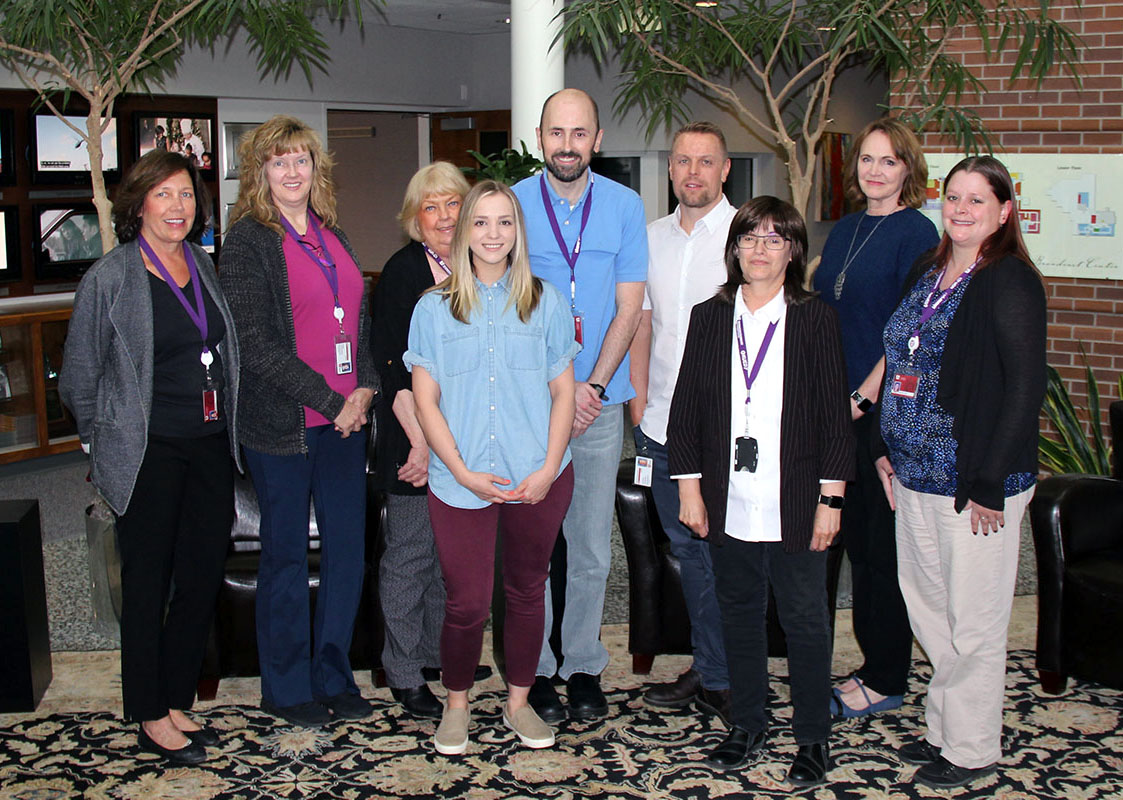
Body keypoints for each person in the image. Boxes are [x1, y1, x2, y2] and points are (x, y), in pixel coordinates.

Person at [60, 150, 239, 765]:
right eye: (163, 195)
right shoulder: (110, 277)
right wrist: (99, 439)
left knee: (198, 578)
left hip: (210, 446)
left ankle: (174, 695)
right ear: (138, 204)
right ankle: (147, 712)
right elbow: (79, 376)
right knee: (146, 582)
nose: (177, 207)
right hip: (146, 454)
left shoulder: (203, 265)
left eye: (186, 195)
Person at [668, 196, 853, 787]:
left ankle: (812, 737)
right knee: (739, 615)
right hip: (729, 499)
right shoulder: (710, 315)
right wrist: (690, 489)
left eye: (774, 239)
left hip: (796, 499)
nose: (759, 249)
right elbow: (687, 411)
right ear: (735, 247)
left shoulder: (814, 317)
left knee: (803, 620)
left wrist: (831, 499)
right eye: (749, 238)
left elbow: (833, 417)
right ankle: (746, 724)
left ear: (793, 250)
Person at [873, 156, 1045, 790]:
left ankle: (971, 749)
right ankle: (945, 727)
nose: (962, 209)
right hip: (913, 473)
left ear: (1004, 211)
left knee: (972, 621)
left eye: (978, 200)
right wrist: (884, 446)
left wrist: (989, 482)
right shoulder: (928, 269)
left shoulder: (1010, 282)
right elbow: (900, 360)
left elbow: (1024, 390)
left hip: (973, 483)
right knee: (929, 611)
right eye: (953, 197)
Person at [405, 180, 578, 755]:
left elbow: (563, 393)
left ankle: (519, 703)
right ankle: (456, 705)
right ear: (464, 231)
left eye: (505, 222)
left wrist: (550, 466)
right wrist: (460, 469)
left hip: (538, 474)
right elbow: (425, 400)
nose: (493, 234)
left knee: (528, 592)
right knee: (468, 601)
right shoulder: (433, 307)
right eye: (481, 222)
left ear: (518, 232)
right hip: (461, 480)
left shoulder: (546, 301)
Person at [218, 115, 378, 729]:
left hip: (345, 423)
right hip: (283, 427)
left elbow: (355, 319)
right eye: (279, 161)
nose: (292, 171)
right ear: (261, 171)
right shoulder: (248, 241)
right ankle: (284, 688)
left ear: (317, 169)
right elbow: (255, 346)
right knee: (285, 556)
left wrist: (363, 387)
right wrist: (333, 400)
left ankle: (333, 674)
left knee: (346, 553)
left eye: (302, 160)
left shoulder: (331, 233)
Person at [512, 88, 647, 723]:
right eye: (556, 133)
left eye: (580, 133)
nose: (567, 145)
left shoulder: (624, 207)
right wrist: (553, 389)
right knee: (533, 547)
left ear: (597, 138)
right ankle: (534, 670)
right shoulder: (510, 206)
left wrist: (591, 387)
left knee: (591, 547)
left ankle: (584, 665)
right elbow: (497, 305)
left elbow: (629, 308)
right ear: (541, 138)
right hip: (532, 406)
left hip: (599, 402)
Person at [811, 118, 939, 718]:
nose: (874, 171)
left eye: (888, 161)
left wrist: (862, 398)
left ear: (907, 170)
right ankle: (857, 659)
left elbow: (907, 330)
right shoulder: (846, 229)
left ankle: (885, 674)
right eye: (866, 159)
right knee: (841, 540)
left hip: (877, 415)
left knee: (877, 552)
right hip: (833, 411)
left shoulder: (917, 234)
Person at [628, 121, 734, 721]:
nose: (693, 172)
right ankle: (711, 669)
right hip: (663, 428)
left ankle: (728, 672)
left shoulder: (750, 236)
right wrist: (640, 408)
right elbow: (643, 324)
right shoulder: (650, 238)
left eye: (706, 161)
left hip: (726, 435)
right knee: (689, 554)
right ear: (670, 170)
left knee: (726, 553)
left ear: (724, 170)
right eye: (682, 161)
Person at [370, 161, 472, 719]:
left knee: (445, 559)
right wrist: (421, 444)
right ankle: (404, 671)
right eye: (430, 207)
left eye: (452, 203)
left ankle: (435, 654)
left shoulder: (480, 269)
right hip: (414, 441)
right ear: (415, 219)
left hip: (464, 445)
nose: (443, 217)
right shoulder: (401, 272)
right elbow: (393, 369)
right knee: (409, 557)